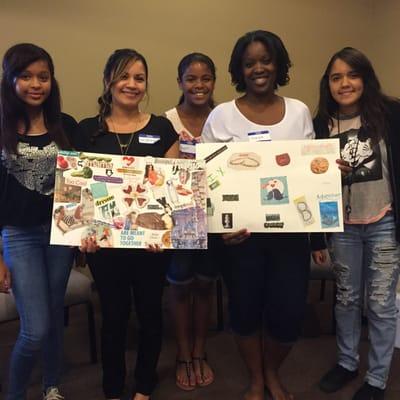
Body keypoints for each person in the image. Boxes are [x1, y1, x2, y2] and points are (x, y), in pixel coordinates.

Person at [202, 30, 314, 400]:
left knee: (288, 314)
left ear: (278, 63)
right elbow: (207, 180)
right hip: (241, 239)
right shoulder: (221, 116)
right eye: (249, 63)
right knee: (245, 310)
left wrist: (328, 171)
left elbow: (310, 172)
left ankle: (272, 370)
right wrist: (220, 230)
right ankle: (255, 377)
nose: (258, 68)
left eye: (265, 59)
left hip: (291, 236)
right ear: (239, 69)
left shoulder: (298, 112)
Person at [77, 48, 179, 400]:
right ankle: (113, 386)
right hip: (104, 247)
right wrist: (82, 235)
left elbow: (174, 191)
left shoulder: (162, 129)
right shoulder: (86, 130)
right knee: (114, 317)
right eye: (123, 76)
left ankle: (145, 385)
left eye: (138, 78)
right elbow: (78, 192)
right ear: (108, 80)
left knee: (151, 314)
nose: (131, 84)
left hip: (151, 246)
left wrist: (164, 231)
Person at [312, 47, 400, 400]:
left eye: (352, 75)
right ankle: (347, 363)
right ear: (328, 84)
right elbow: (310, 181)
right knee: (346, 299)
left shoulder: (391, 113)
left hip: (384, 221)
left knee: (380, 303)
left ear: (365, 77)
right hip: (343, 225)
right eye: (336, 77)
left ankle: (377, 379)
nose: (344, 83)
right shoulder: (322, 124)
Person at [0, 43, 78, 400]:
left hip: (61, 233)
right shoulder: (2, 128)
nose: (36, 84)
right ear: (10, 80)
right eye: (26, 76)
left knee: (54, 314)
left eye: (43, 77)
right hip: (19, 237)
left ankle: (51, 384)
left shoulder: (66, 126)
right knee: (35, 328)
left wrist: (83, 234)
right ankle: (14, 394)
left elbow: (80, 187)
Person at [165, 53, 220, 391]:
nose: (198, 85)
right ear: (180, 82)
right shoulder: (166, 121)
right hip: (181, 220)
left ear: (214, 81)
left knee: (205, 284)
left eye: (206, 78)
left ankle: (201, 351)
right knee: (180, 286)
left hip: (216, 218)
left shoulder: (225, 117)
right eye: (191, 78)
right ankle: (183, 355)